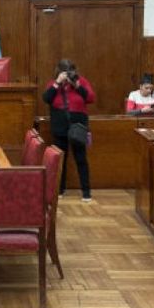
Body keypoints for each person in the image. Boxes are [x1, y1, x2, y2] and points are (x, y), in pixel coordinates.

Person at [42, 59, 96, 201]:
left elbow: (91, 98)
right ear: (58, 72)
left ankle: (86, 191)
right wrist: (57, 83)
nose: (67, 75)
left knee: (81, 158)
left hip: (77, 126)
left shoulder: (81, 81)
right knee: (60, 159)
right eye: (64, 72)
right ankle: (60, 189)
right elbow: (46, 98)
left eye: (70, 72)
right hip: (59, 125)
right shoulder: (53, 83)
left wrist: (77, 85)